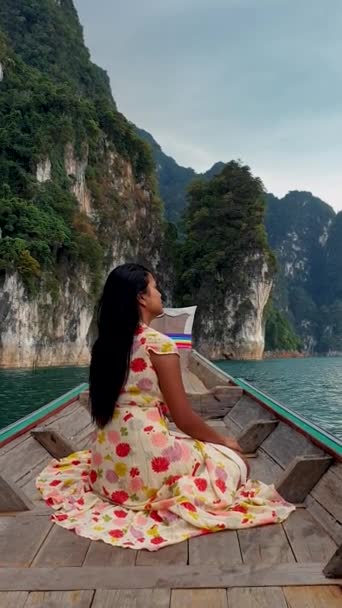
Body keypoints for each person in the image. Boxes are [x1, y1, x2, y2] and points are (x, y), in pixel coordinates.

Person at [36, 262, 295, 551]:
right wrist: (223, 441)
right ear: (141, 298)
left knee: (198, 449)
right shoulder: (159, 345)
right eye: (155, 287)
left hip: (107, 468)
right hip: (148, 462)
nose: (160, 293)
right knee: (235, 463)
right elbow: (183, 418)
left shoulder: (104, 346)